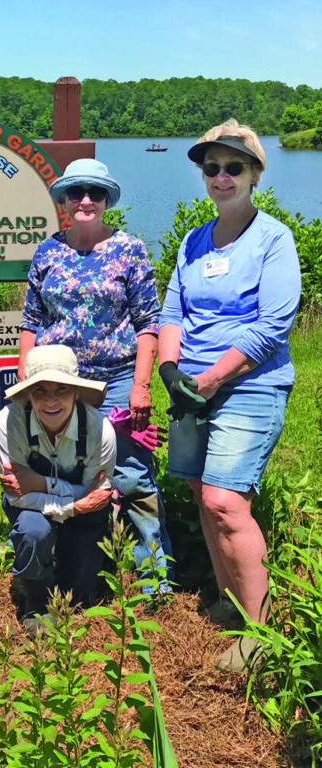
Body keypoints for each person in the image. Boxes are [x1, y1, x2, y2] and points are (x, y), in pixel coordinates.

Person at [158, 119, 301, 672]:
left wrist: (212, 379)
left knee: (224, 499)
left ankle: (260, 632)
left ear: (255, 174)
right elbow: (174, 311)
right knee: (199, 492)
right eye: (211, 167)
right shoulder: (195, 240)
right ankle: (227, 599)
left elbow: (271, 328)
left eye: (233, 167)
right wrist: (171, 371)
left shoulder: (274, 239)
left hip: (249, 385)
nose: (221, 177)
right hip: (191, 388)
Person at [18, 157, 172, 594]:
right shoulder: (48, 251)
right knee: (63, 467)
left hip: (118, 378)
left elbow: (148, 324)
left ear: (107, 201)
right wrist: (27, 382)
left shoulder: (130, 249)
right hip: (57, 382)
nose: (85, 200)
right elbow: (31, 322)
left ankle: (155, 578)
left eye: (96, 193)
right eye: (75, 192)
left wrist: (141, 385)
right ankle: (69, 566)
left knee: (131, 475)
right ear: (63, 200)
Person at [0, 345, 116, 634]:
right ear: (28, 394)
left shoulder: (102, 431)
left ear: (76, 392)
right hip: (39, 512)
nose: (51, 401)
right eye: (40, 391)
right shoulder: (9, 421)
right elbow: (17, 497)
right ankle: (35, 602)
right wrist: (72, 504)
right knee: (33, 530)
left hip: (87, 516)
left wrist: (40, 483)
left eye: (61, 390)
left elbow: (97, 497)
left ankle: (83, 561)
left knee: (79, 601)